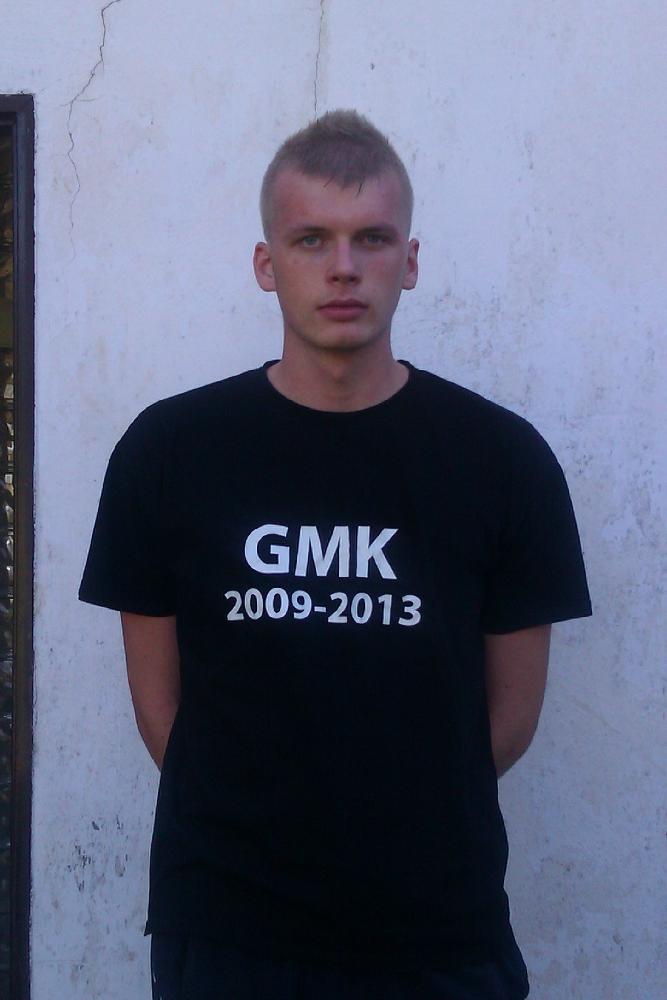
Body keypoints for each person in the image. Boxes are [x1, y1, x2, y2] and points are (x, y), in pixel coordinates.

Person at [79, 110, 591, 999]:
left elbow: (508, 719)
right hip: (229, 929)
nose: (343, 266)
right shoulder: (169, 451)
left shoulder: (501, 460)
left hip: (437, 928)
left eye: (372, 238)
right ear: (266, 264)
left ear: (410, 261)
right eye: (311, 238)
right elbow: (161, 709)